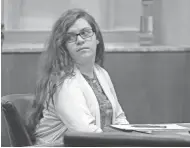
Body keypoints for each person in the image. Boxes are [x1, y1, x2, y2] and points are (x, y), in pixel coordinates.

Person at [27, 8, 129, 145]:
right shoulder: (64, 82)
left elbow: (119, 119)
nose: (80, 40)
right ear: (64, 47)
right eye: (70, 37)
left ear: (97, 38)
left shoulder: (101, 73)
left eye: (85, 33)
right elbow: (85, 133)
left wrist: (131, 139)